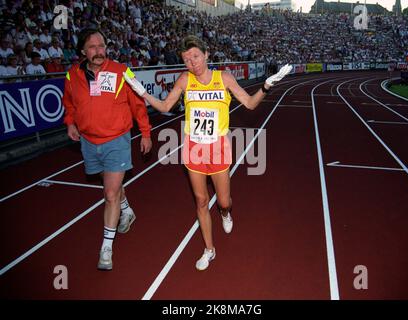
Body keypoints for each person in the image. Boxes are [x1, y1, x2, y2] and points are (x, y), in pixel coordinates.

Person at [124, 35, 291, 271]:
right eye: (186, 59)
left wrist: (266, 85)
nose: (192, 62)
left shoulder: (223, 77)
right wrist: (142, 92)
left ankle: (225, 213)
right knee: (201, 201)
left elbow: (251, 104)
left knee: (223, 201)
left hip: (218, 149)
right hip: (193, 149)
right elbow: (164, 106)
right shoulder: (184, 80)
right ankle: (209, 249)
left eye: (195, 56)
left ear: (206, 55)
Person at [62, 28, 152, 271]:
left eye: (102, 46)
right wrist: (70, 122)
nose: (99, 51)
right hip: (89, 143)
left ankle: (106, 248)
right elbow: (68, 102)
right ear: (83, 51)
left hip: (117, 140)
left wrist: (145, 132)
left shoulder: (122, 71)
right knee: (111, 185)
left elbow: (138, 103)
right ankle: (127, 210)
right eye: (92, 47)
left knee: (110, 194)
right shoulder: (72, 76)